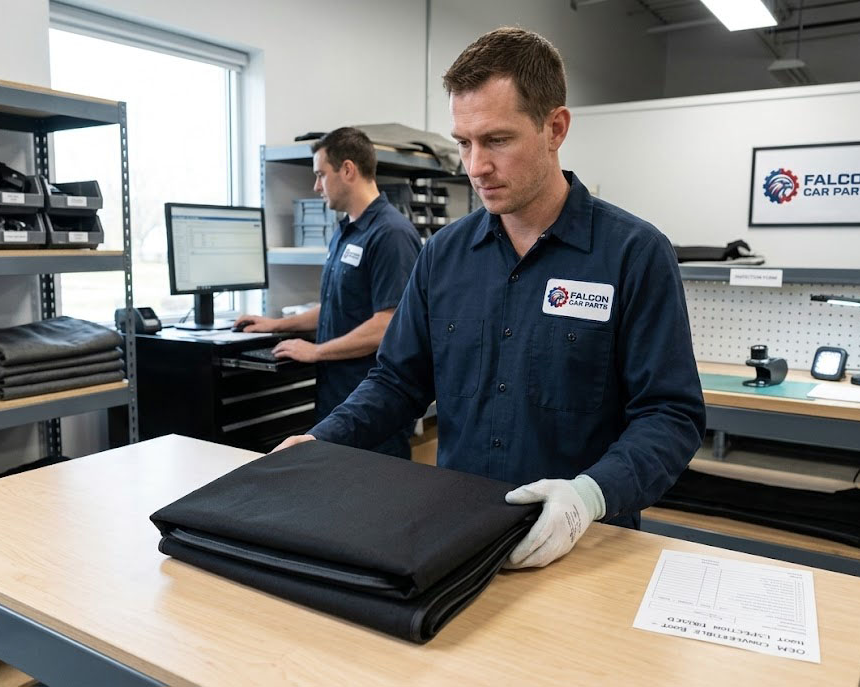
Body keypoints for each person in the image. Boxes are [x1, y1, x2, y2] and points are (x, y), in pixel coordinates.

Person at [274, 28, 706, 569]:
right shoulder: (444, 255)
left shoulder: (634, 254)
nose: (475, 166)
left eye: (497, 140)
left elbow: (670, 415)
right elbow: (398, 381)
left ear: (555, 128)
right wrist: (322, 440)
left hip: (587, 544)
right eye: (463, 142)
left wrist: (588, 496)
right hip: (458, 534)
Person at [235, 127, 422, 459]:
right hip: (338, 402)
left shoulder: (391, 234)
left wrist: (316, 351)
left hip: (373, 412)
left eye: (321, 175)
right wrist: (275, 324)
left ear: (347, 170)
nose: (316, 186)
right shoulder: (345, 232)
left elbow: (387, 324)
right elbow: (337, 306)